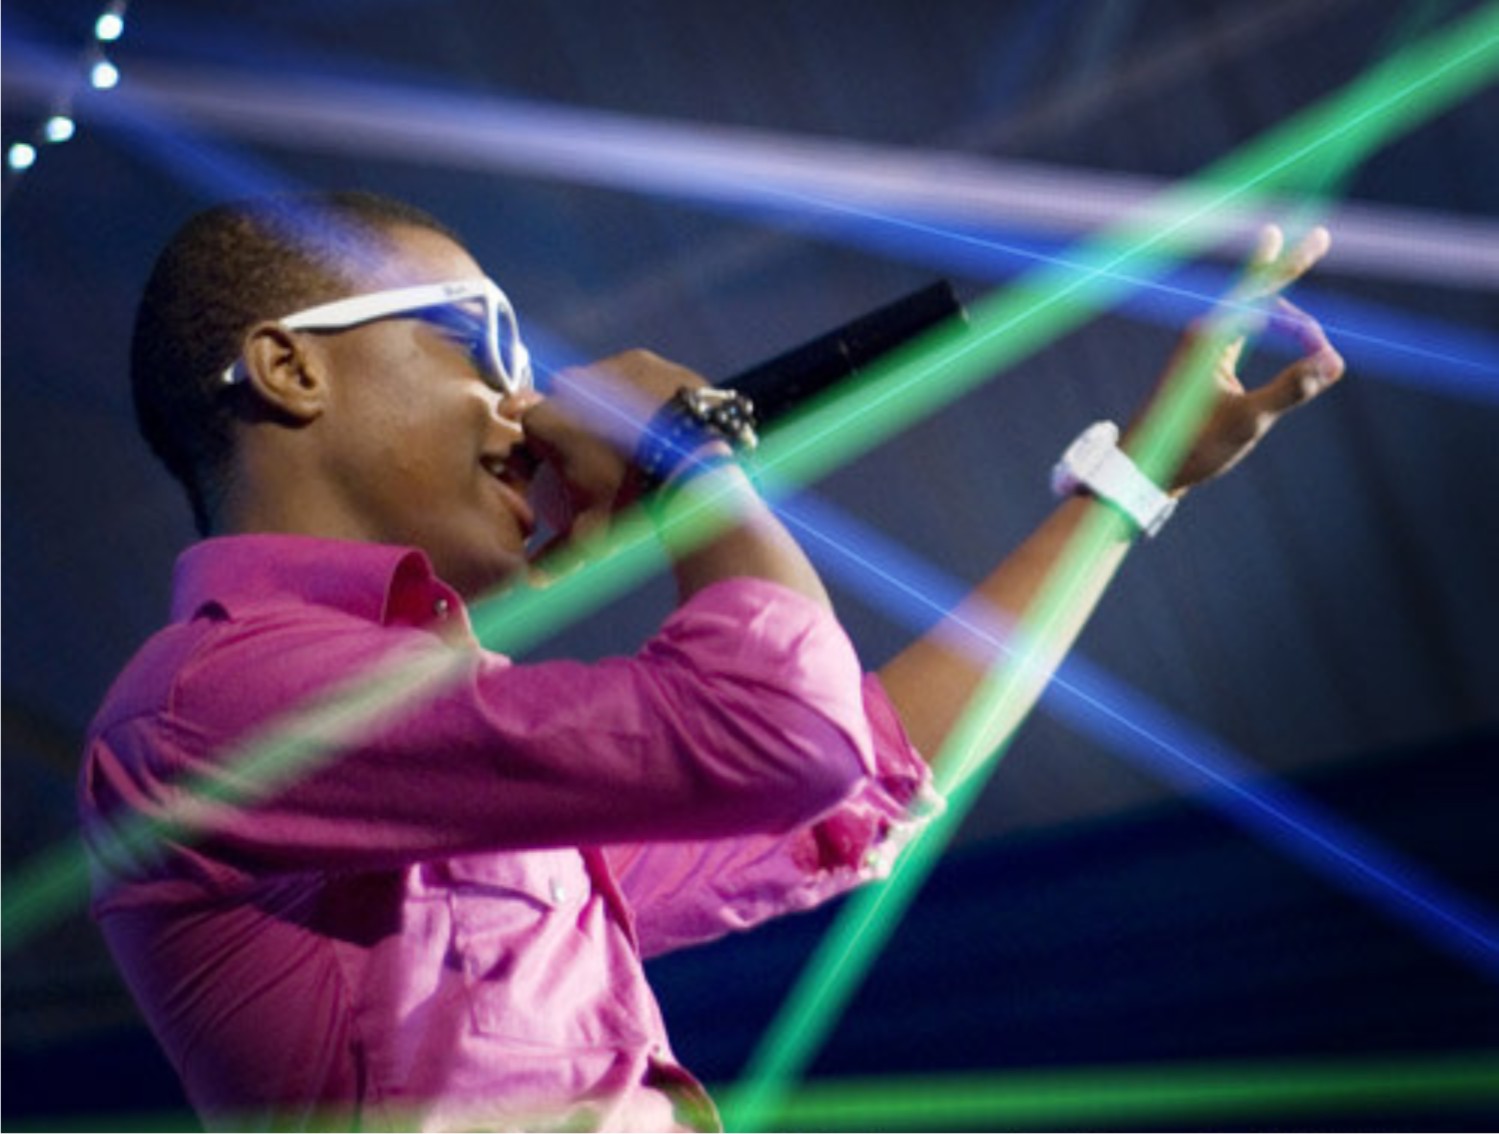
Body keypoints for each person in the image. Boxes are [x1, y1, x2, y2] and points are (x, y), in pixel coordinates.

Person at [79, 190, 1343, 1132]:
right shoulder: (200, 710)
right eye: (478, 342)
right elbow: (780, 732)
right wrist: (685, 461)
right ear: (291, 366)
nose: (522, 402)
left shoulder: (429, 746)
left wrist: (1132, 487)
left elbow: (857, 776)